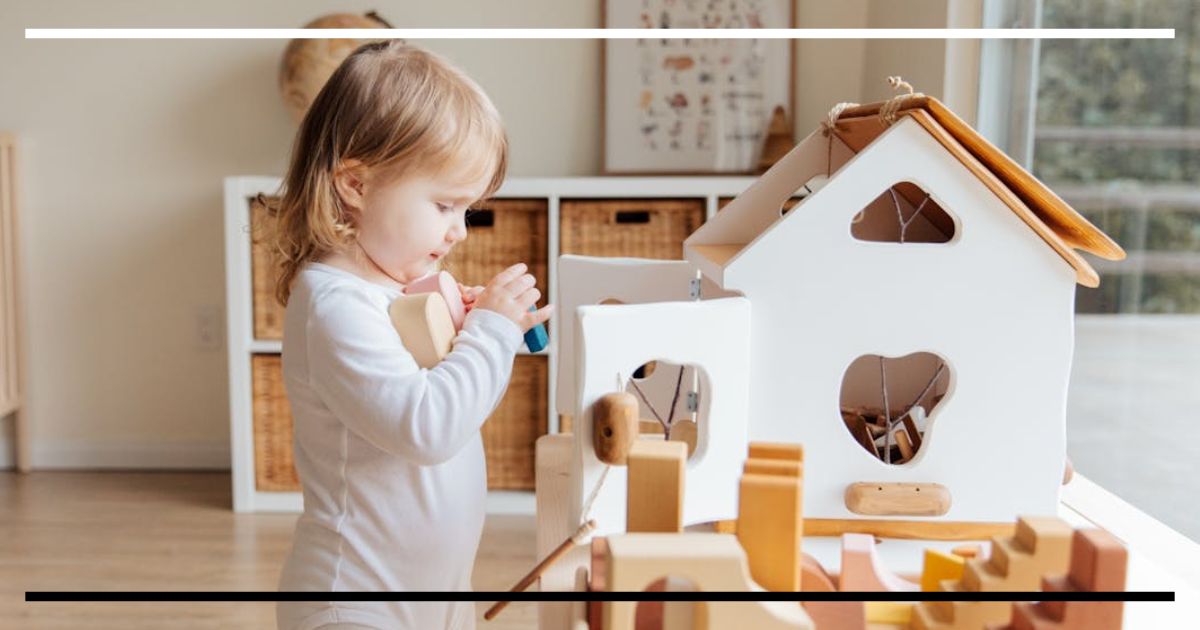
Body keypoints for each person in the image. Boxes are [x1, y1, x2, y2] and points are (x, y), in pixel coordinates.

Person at [264, 40, 553, 630]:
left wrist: (473, 327)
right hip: (356, 605)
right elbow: (428, 427)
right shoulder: (333, 306)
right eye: (446, 205)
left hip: (434, 600)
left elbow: (450, 394)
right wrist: (491, 334)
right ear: (356, 185)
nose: (460, 232)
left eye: (467, 211)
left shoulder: (393, 290)